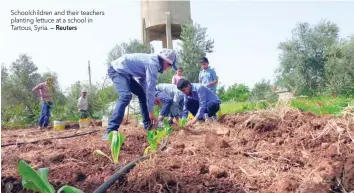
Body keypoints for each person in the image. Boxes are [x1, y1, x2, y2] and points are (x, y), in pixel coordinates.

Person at [102, 49, 178, 140]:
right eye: (169, 65)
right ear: (165, 61)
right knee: (126, 96)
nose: (168, 68)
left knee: (142, 94)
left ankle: (148, 126)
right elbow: (150, 87)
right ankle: (110, 131)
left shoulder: (154, 62)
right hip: (117, 70)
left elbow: (143, 81)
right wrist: (151, 112)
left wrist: (153, 96)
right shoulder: (152, 64)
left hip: (126, 73)